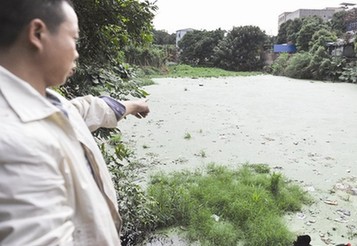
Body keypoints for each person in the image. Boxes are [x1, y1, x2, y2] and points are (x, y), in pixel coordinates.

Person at [0, 0, 149, 245]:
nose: (77, 52)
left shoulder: (46, 101)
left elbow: (86, 109)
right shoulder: (16, 140)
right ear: (37, 34)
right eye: (74, 38)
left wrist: (131, 106)